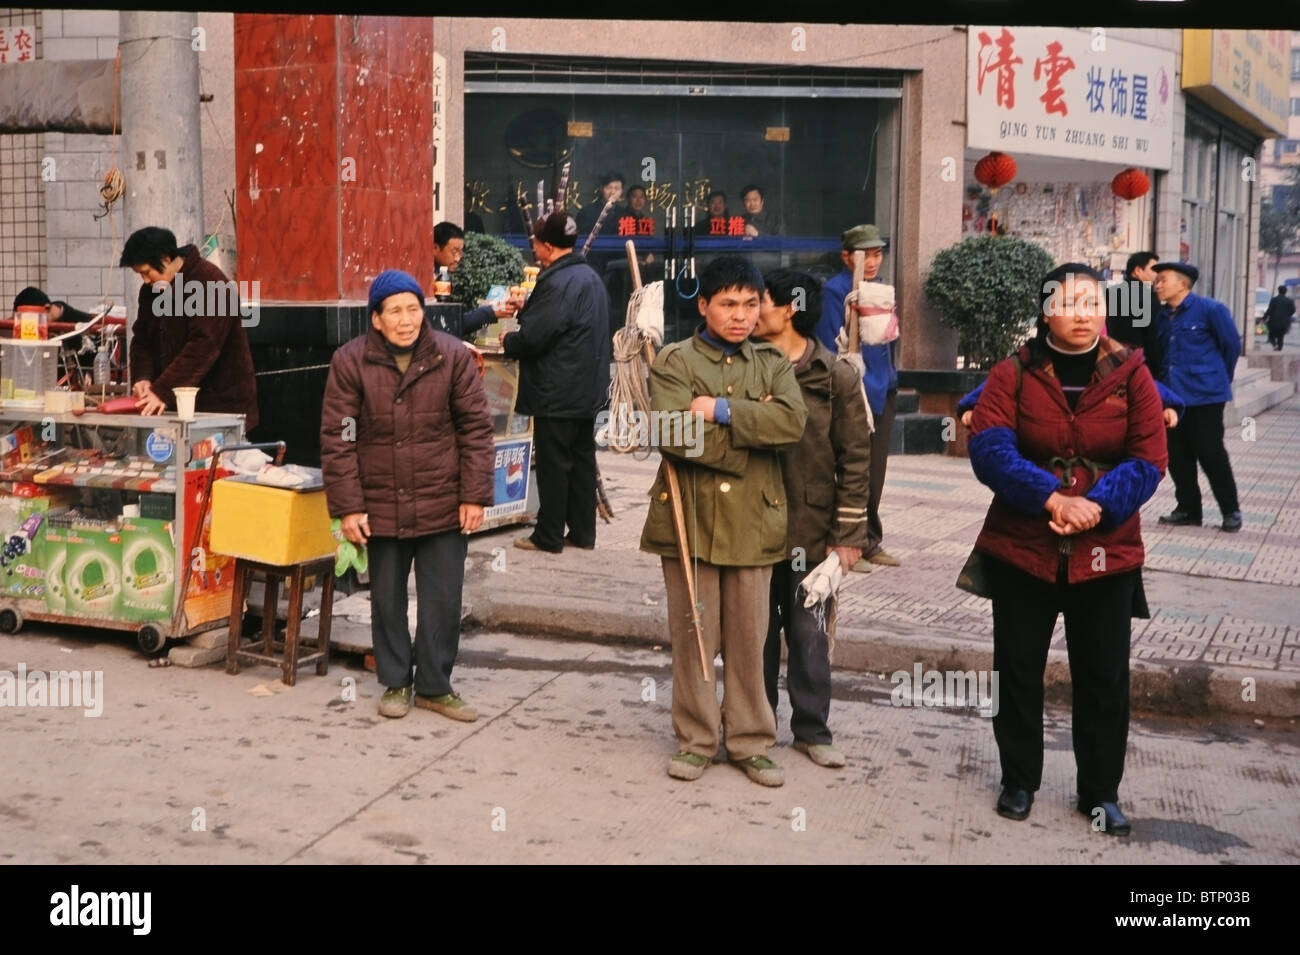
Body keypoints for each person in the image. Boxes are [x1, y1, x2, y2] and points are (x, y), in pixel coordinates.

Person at [968, 262, 1167, 837]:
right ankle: (1019, 780)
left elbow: (1149, 459)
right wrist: (1051, 499)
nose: (1082, 313)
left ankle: (1100, 792)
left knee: (1104, 676)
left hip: (1106, 552)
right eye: (1069, 302)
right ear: (1045, 310)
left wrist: (1097, 507)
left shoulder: (1131, 372)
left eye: (1092, 302)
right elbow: (989, 447)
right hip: (1023, 546)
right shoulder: (1014, 373)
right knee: (1019, 668)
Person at [641, 255, 807, 788]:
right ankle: (696, 738)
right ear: (704, 304)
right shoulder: (673, 360)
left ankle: (751, 741)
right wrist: (746, 446)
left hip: (755, 522)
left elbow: (792, 423)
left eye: (750, 304)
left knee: (750, 636)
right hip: (688, 519)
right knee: (694, 636)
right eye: (729, 304)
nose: (740, 315)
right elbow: (671, 433)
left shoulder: (773, 363)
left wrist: (722, 412)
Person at [320, 269, 494, 721]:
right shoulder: (350, 361)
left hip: (443, 497)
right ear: (376, 319)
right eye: (394, 311)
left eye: (413, 308)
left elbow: (475, 429)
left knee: (442, 598)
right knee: (386, 597)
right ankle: (396, 681)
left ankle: (436, 685)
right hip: (380, 500)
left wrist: (474, 495)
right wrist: (349, 507)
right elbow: (341, 438)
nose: (406, 319)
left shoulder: (452, 356)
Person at [754, 268, 870, 769]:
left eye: (760, 300)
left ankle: (811, 730)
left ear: (788, 309)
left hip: (812, 529)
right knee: (753, 633)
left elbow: (856, 459)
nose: (750, 309)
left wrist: (848, 537)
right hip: (751, 527)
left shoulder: (835, 375)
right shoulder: (744, 366)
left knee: (808, 633)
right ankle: (752, 726)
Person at [501, 211, 610, 553]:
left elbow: (536, 337)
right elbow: (563, 323)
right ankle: (582, 533)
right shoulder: (589, 276)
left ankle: (548, 535)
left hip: (558, 391)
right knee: (581, 463)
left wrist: (508, 342)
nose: (533, 249)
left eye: (535, 243)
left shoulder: (558, 281)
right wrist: (528, 306)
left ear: (547, 246)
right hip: (586, 389)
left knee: (554, 464)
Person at [813, 224, 900, 568]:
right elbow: (831, 346)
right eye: (865, 254)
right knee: (851, 469)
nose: (872, 261)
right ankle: (848, 540)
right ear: (846, 257)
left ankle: (871, 540)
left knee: (875, 470)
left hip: (884, 388)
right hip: (853, 390)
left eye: (878, 254)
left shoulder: (881, 290)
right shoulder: (834, 292)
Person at [120, 226, 259, 427]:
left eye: (147, 272)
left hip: (220, 410)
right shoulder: (151, 291)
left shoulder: (210, 282)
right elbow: (142, 341)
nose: (146, 280)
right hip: (171, 409)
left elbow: (203, 347)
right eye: (140, 274)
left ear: (166, 258)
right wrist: (143, 378)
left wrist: (162, 391)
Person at [1152, 262, 1243, 533]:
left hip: (1205, 396)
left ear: (1183, 284)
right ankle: (1188, 510)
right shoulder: (1161, 315)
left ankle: (1230, 510)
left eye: (1162, 280)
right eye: (1156, 280)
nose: (1157, 285)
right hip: (1173, 397)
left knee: (1211, 454)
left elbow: (1231, 346)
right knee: (1178, 457)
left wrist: (1217, 380)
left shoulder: (1210, 310)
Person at [434, 221, 516, 339]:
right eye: (454, 251)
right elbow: (449, 324)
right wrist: (491, 312)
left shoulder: (443, 275)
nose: (458, 258)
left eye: (460, 252)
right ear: (435, 248)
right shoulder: (431, 277)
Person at [1105, 250, 1164, 376]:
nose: (1156, 275)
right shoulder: (1150, 297)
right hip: (1140, 363)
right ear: (1138, 271)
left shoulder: (1110, 293)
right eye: (1153, 270)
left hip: (1111, 361)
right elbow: (1153, 337)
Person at [576, 171, 625, 235]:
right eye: (608, 188)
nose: (612, 192)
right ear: (601, 188)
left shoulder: (625, 214)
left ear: (622, 191)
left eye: (617, 188)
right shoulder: (586, 212)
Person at [1264, 285, 1295, 351]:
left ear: (1278, 291)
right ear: (1285, 292)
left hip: (1274, 322)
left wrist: (1264, 317)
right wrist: (1287, 316)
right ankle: (1279, 348)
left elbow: (1269, 310)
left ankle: (1275, 345)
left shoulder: (1274, 300)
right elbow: (1293, 310)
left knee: (1271, 335)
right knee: (1281, 336)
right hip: (1284, 323)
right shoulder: (1289, 301)